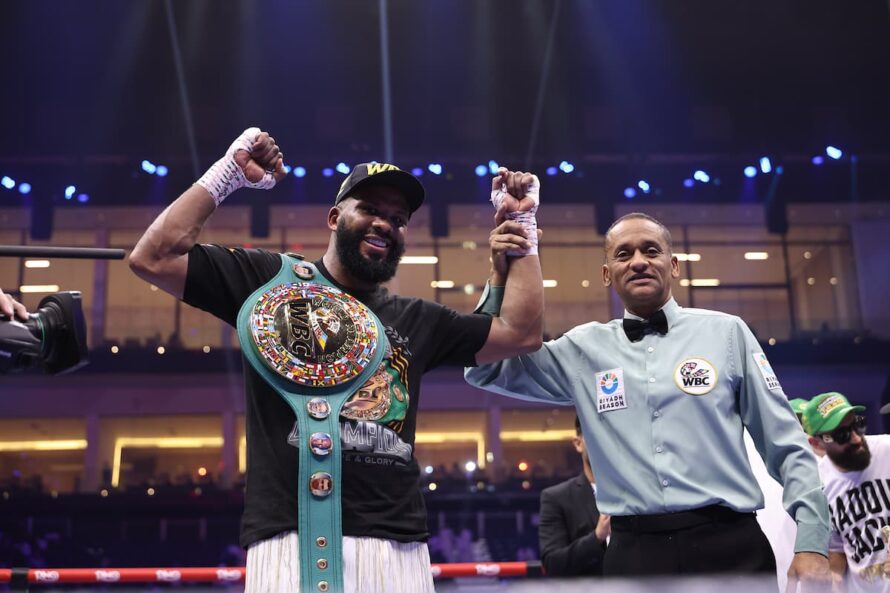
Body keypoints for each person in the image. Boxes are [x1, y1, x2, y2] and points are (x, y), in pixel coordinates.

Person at [128, 127, 544, 593]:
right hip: (288, 540)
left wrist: (523, 227)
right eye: (370, 209)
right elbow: (153, 257)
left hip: (399, 548)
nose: (384, 223)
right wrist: (228, 174)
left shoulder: (417, 318)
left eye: (397, 218)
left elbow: (520, 333)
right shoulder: (271, 282)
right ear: (334, 217)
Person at [466, 212, 831, 583]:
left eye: (651, 250)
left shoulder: (727, 333)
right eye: (624, 254)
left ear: (673, 265)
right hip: (634, 555)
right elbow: (484, 367)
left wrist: (813, 542)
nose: (638, 261)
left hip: (731, 546)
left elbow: (787, 444)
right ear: (607, 274)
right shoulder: (582, 350)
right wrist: (500, 275)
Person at [803, 392, 890, 592]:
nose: (857, 438)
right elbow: (838, 549)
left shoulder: (887, 449)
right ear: (817, 443)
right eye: (842, 435)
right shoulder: (819, 486)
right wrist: (832, 578)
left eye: (857, 425)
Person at [538, 415, 609, 577]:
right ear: (578, 443)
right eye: (595, 435)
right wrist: (597, 537)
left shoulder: (637, 494)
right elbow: (553, 564)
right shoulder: (556, 498)